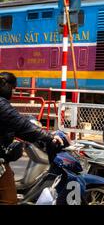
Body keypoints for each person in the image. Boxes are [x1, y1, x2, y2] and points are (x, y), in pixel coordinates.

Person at [0, 72, 64, 205]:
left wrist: (36, 136)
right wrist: (50, 136)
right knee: (9, 199)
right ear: (7, 86)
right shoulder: (2, 105)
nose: (13, 92)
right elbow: (21, 124)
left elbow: (18, 128)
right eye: (13, 89)